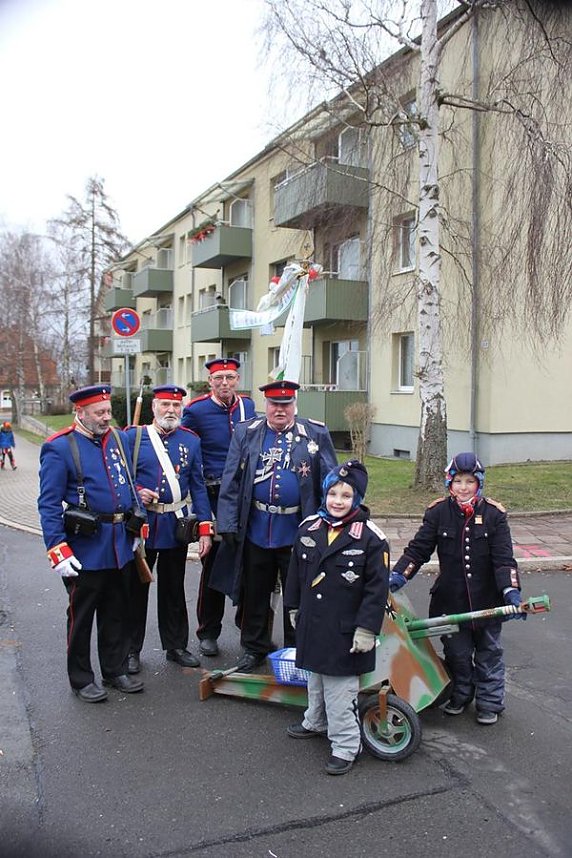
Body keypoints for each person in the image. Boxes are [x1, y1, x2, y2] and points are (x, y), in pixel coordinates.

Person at [389, 452, 524, 726]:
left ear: (479, 484)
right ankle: (462, 694)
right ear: (449, 483)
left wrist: (510, 591)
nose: (463, 487)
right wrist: (398, 576)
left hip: (488, 600)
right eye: (458, 481)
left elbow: (503, 559)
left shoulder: (494, 515)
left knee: (489, 653)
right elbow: (418, 551)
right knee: (458, 655)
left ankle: (489, 702)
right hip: (451, 601)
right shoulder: (438, 512)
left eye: (470, 481)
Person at [212, 380, 338, 673]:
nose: (279, 410)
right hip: (256, 528)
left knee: (298, 594)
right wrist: (227, 523)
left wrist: (329, 524)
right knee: (255, 592)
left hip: (298, 528)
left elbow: (331, 482)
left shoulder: (315, 433)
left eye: (285, 404)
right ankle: (254, 648)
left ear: (294, 405)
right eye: (274, 404)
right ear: (265, 405)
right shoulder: (247, 432)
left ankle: (297, 650)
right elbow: (230, 480)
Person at [37, 385, 145, 702]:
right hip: (84, 548)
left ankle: (114, 670)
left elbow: (129, 483)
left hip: (119, 544)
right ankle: (81, 678)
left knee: (116, 612)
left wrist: (139, 524)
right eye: (99, 413)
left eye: (108, 411)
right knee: (81, 618)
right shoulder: (59, 447)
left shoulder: (118, 439)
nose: (105, 417)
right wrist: (58, 549)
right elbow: (48, 503)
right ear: (80, 413)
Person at [284, 460, 389, 775]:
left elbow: (376, 590)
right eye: (333, 494)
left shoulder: (371, 538)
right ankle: (315, 721)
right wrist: (293, 607)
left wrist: (367, 629)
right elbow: (295, 575)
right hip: (314, 623)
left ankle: (346, 745)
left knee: (340, 692)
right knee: (315, 677)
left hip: (347, 632)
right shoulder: (310, 528)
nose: (338, 501)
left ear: (356, 499)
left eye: (346, 495)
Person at [125, 385, 213, 672]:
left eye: (176, 406)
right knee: (136, 589)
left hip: (176, 526)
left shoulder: (191, 441)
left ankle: (175, 645)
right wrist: (137, 490)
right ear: (154, 407)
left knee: (174, 589)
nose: (171, 411)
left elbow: (198, 486)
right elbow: (120, 480)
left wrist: (204, 529)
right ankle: (131, 650)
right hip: (143, 526)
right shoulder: (133, 437)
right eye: (165, 405)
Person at [181, 357, 256, 657]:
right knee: (214, 564)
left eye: (230, 377)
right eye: (218, 378)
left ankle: (247, 625)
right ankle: (208, 631)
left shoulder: (247, 407)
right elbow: (185, 448)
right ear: (209, 382)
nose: (224, 383)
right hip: (212, 497)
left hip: (245, 496)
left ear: (237, 379)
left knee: (251, 563)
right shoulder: (196, 411)